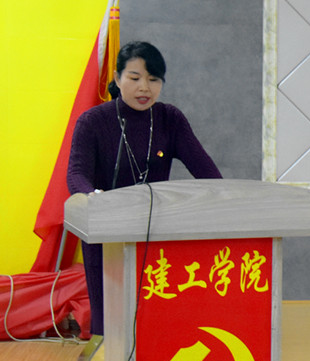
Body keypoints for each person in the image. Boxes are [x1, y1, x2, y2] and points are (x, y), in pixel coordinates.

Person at [67, 41, 222, 336]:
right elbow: (76, 174)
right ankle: (107, 360)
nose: (145, 88)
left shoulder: (169, 119)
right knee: (110, 316)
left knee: (155, 316)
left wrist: (223, 199)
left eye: (153, 79)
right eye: (135, 78)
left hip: (155, 232)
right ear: (117, 78)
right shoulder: (93, 122)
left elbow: (208, 173)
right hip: (107, 231)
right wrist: (93, 198)